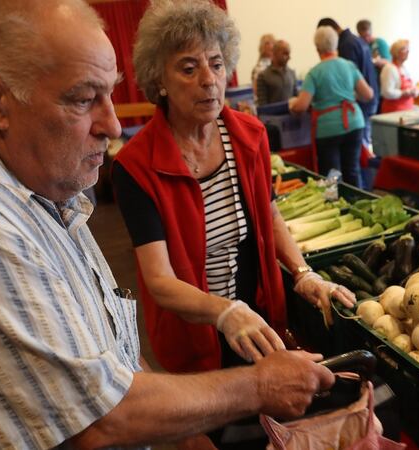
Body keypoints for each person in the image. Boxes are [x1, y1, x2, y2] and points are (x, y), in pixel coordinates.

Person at [0, 1, 338, 448]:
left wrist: (184, 425)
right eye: (84, 99)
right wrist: (258, 385)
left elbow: (110, 353)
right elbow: (92, 420)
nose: (112, 125)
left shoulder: (43, 189)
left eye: (109, 94)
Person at [114, 0, 354, 374]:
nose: (208, 79)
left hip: (258, 320)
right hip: (194, 332)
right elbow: (159, 280)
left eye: (216, 63)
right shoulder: (135, 166)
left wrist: (302, 272)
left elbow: (269, 213)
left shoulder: (249, 137)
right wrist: (224, 312)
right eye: (188, 68)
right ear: (158, 80)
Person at [290, 26, 374, 188]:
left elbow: (302, 106)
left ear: (317, 48)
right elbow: (368, 94)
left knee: (332, 175)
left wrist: (292, 104)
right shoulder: (349, 66)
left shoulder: (315, 73)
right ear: (336, 44)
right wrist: (348, 95)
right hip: (354, 122)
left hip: (328, 128)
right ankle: (358, 205)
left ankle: (337, 208)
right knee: (353, 170)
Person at [318, 18, 379, 152]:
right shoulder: (357, 40)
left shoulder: (346, 45)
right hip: (370, 98)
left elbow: (347, 81)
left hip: (359, 104)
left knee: (361, 153)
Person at [380, 39, 419, 113]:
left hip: (407, 110)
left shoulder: (404, 69)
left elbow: (412, 86)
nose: (408, 51)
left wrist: (415, 91)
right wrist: (403, 93)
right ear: (396, 52)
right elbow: (386, 92)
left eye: (408, 49)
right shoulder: (389, 68)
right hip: (393, 112)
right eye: (404, 49)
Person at [255, 39, 298, 106]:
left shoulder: (292, 73)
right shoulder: (263, 76)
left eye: (289, 54)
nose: (289, 57)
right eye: (285, 53)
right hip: (273, 116)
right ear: (275, 53)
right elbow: (262, 107)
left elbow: (296, 98)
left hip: (292, 115)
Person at [251, 33, 275, 101]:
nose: (271, 45)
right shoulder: (259, 68)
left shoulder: (277, 65)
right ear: (262, 47)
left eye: (273, 42)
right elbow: (256, 91)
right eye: (267, 43)